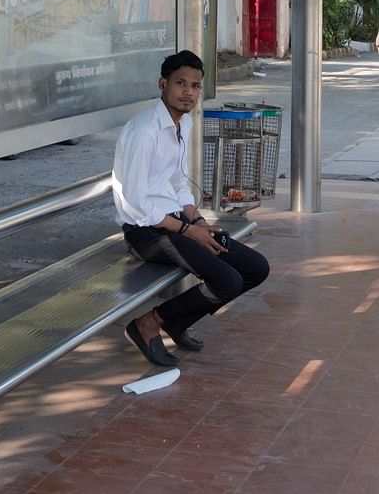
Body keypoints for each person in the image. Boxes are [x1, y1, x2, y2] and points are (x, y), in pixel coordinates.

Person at [112, 50, 271, 367]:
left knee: (256, 268)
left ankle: (175, 320)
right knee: (227, 281)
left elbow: (177, 182)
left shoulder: (182, 124)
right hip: (147, 232)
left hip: (179, 224)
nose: (189, 92)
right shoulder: (145, 131)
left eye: (196, 86)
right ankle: (147, 324)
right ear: (163, 84)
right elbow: (134, 201)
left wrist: (197, 220)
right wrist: (189, 231)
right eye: (181, 83)